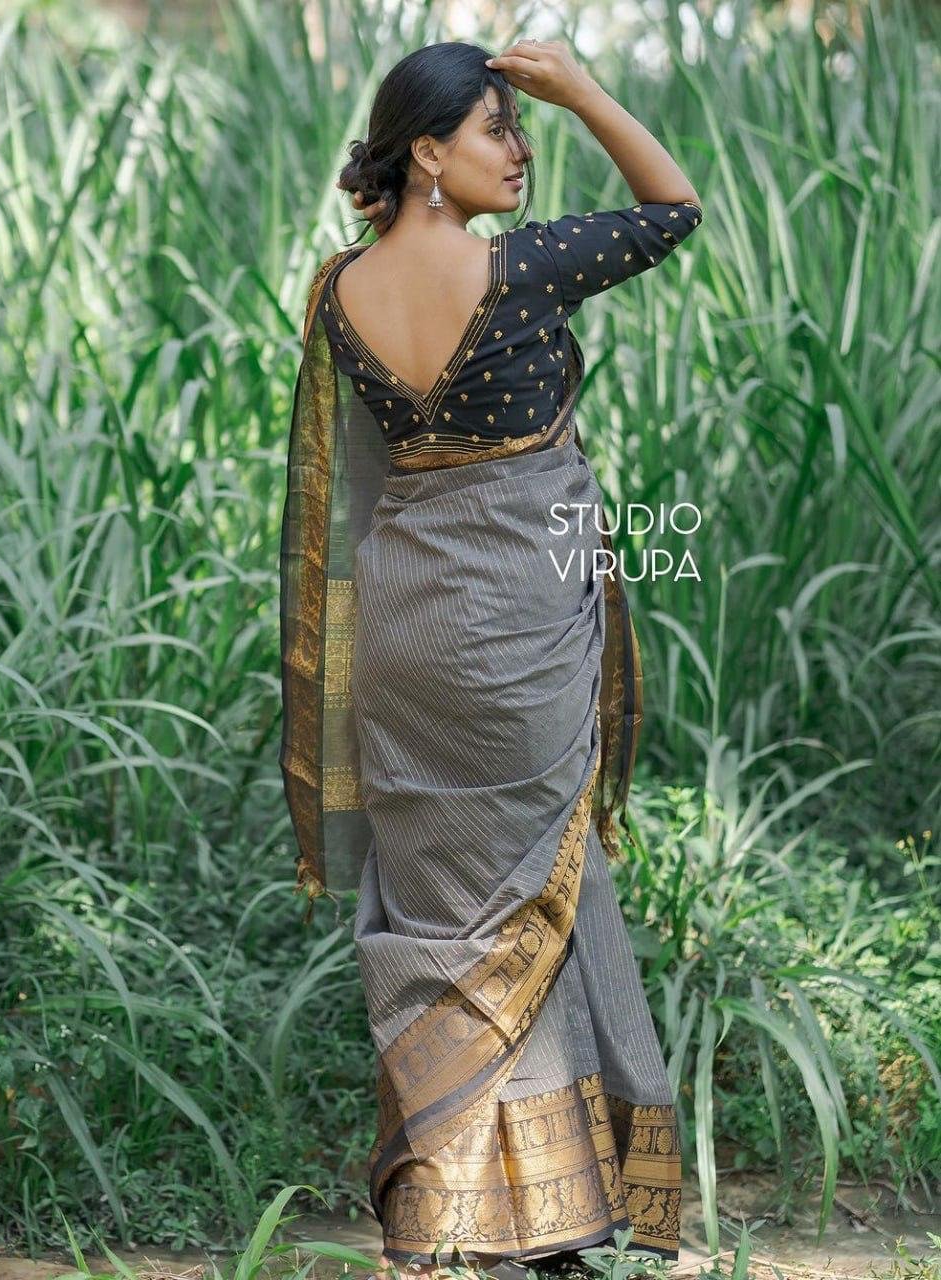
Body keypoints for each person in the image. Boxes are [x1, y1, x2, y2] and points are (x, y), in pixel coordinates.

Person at [278, 37, 704, 1280]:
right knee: (537, 898)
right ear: (428, 150)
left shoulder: (336, 291)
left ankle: (455, 1214)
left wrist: (533, 106)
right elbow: (672, 207)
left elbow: (369, 474)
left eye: (525, 126)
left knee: (443, 916)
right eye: (497, 127)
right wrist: (582, 89)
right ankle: (549, 1223)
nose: (519, 151)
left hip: (404, 631)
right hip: (513, 622)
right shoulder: (518, 269)